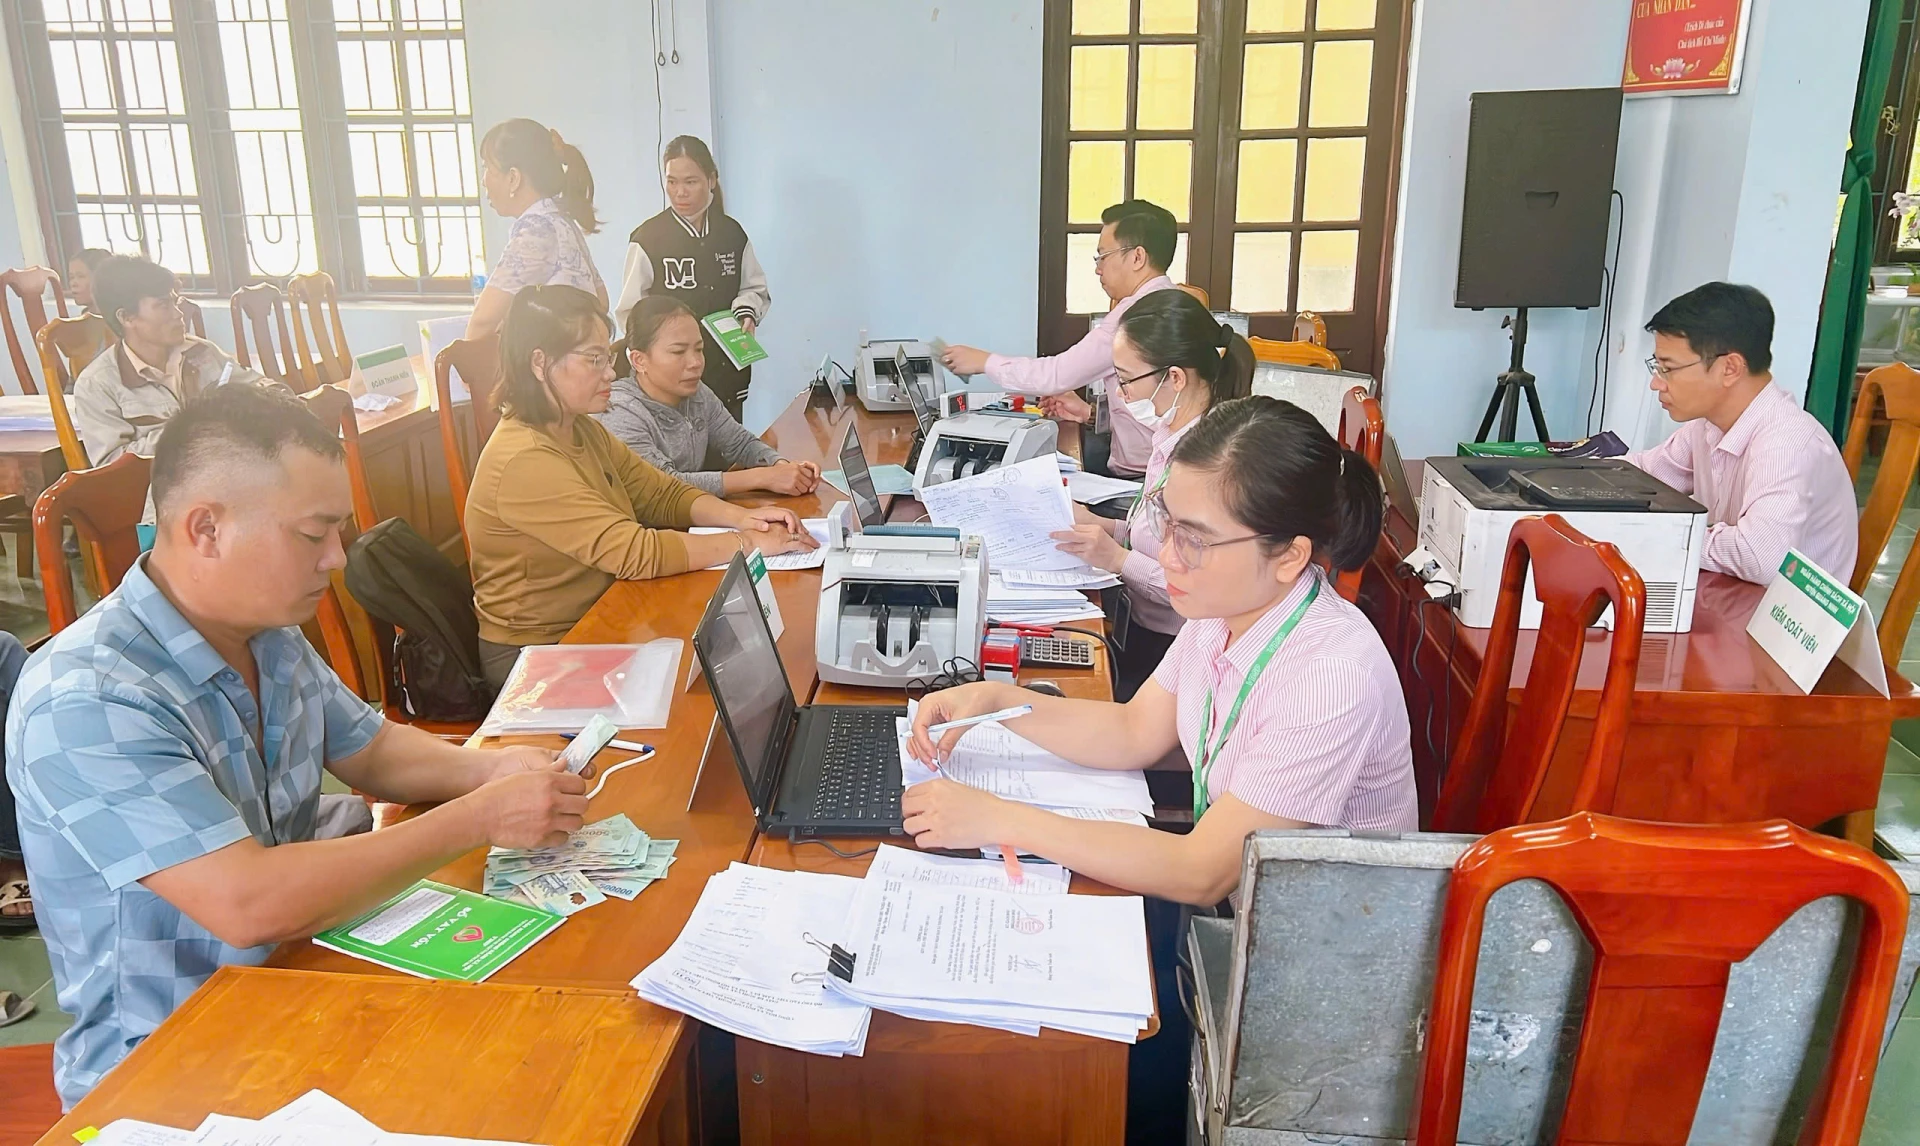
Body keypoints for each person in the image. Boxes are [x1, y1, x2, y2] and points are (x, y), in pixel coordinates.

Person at [6, 384, 592, 1108]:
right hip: (173, 1064)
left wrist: (493, 768)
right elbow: (249, 904)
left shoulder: (265, 630)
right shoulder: (87, 699)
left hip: (298, 967)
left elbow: (369, 749)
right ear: (205, 529)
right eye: (314, 535)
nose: (338, 560)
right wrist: (481, 816)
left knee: (551, 1041)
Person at [902, 395, 1417, 897]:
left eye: (1193, 539)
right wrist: (995, 702)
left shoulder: (1333, 675)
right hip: (1250, 911)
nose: (1168, 556)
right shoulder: (1226, 607)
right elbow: (1133, 732)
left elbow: (1201, 872)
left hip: (1319, 948)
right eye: (1166, 522)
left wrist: (1000, 819)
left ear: (1288, 556)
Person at [465, 285, 815, 691]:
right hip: (542, 651)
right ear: (540, 363)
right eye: (594, 359)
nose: (610, 372)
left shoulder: (578, 428)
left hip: (604, 610)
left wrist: (745, 516)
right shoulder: (524, 458)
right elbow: (635, 552)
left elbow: (661, 493)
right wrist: (747, 542)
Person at [1048, 290, 1255, 699]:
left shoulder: (1210, 463)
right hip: (1143, 625)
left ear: (1174, 378)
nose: (1122, 396)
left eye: (1125, 381)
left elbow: (1195, 583)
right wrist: (1104, 523)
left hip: (1178, 647)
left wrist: (1116, 558)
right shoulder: (1170, 431)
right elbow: (1156, 528)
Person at [1624, 282, 1856, 585]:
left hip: (1781, 623)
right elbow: (1639, 476)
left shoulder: (1785, 442)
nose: (1656, 384)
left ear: (1730, 368)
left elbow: (1759, 557)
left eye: (1667, 368)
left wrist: (1661, 534)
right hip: (1737, 598)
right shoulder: (1708, 426)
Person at [940, 200, 1179, 479]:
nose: (1098, 269)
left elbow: (1056, 375)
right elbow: (1149, 409)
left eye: (1104, 256)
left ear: (1137, 257)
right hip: (1152, 468)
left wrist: (984, 362)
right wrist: (1090, 413)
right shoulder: (1170, 302)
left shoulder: (1135, 316)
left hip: (1142, 478)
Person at [598, 296, 820, 498]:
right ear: (639, 361)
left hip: (692, 515)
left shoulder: (696, 393)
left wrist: (780, 466)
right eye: (678, 352)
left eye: (699, 349)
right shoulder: (619, 411)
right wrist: (762, 477)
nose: (695, 363)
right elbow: (664, 485)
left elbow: (740, 442)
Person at [614, 136, 769, 421]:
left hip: (726, 373)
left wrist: (747, 312)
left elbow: (754, 288)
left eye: (690, 182)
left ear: (711, 180)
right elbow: (630, 312)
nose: (680, 192)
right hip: (671, 384)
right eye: (672, 182)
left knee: (731, 454)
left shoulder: (732, 234)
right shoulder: (648, 239)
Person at [72, 255, 269, 469]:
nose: (178, 314)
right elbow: (112, 468)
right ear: (126, 317)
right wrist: (192, 428)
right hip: (165, 496)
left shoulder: (201, 352)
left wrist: (271, 396)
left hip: (231, 473)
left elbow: (261, 387)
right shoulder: (98, 384)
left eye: (175, 302)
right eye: (163, 305)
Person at [467, 118, 607, 340]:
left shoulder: (537, 230)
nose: (484, 181)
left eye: (487, 168)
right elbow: (601, 300)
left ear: (513, 178)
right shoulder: (560, 220)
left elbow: (483, 323)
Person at [67, 247, 110, 314]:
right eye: (71, 277)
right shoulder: (84, 317)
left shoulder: (122, 319)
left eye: (81, 276)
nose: (73, 284)